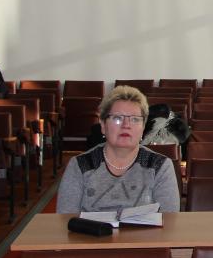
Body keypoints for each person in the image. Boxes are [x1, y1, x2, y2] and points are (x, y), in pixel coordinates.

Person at [57, 85, 181, 213]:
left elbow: (169, 220)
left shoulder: (160, 166)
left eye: (134, 119)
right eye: (117, 118)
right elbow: (66, 220)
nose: (126, 125)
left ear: (143, 127)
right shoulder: (79, 165)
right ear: (103, 125)